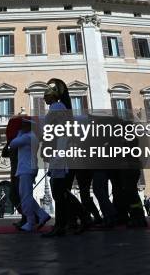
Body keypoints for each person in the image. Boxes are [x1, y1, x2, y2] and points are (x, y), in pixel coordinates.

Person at [41, 78, 90, 237]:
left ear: (54, 96)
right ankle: (74, 219)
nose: (44, 98)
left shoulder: (56, 107)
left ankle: (71, 221)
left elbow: (48, 129)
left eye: (46, 95)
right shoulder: (59, 107)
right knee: (60, 191)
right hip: (60, 152)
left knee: (59, 191)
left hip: (60, 153)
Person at [9, 117, 51, 232]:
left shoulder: (27, 137)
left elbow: (13, 144)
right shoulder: (32, 137)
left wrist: (19, 133)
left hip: (26, 169)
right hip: (27, 169)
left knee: (25, 197)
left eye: (24, 126)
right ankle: (42, 215)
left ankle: (30, 222)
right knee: (27, 196)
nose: (21, 127)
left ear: (28, 127)